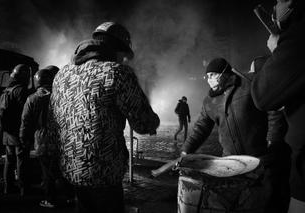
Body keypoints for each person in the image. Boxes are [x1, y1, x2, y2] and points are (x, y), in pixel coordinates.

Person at [48, 22, 160, 213]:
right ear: (116, 49)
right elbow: (143, 122)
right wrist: (152, 121)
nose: (124, 60)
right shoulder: (116, 72)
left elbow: (53, 122)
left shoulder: (62, 74)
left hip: (71, 167)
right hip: (104, 171)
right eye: (124, 55)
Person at [181, 57, 291, 212]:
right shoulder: (210, 101)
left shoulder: (249, 84)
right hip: (231, 163)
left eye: (212, 75)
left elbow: (273, 109)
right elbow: (201, 128)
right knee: (237, 204)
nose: (209, 80)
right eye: (207, 76)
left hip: (261, 158)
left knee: (265, 204)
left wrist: (273, 139)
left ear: (224, 73)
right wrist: (186, 150)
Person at [251, 0, 305, 212]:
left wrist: (278, 49)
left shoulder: (299, 36)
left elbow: (263, 96)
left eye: (280, 0)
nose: (276, 6)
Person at [19, 65, 71, 208]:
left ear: (37, 82)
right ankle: (70, 197)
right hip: (62, 139)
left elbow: (26, 122)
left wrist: (24, 139)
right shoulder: (61, 95)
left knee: (47, 172)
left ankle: (50, 200)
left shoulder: (32, 99)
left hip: (42, 140)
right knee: (63, 170)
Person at [2, 64, 31, 196]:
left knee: (9, 160)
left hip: (7, 132)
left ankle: (8, 187)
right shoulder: (21, 90)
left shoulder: (7, 90)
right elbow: (25, 114)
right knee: (22, 160)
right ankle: (24, 189)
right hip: (18, 132)